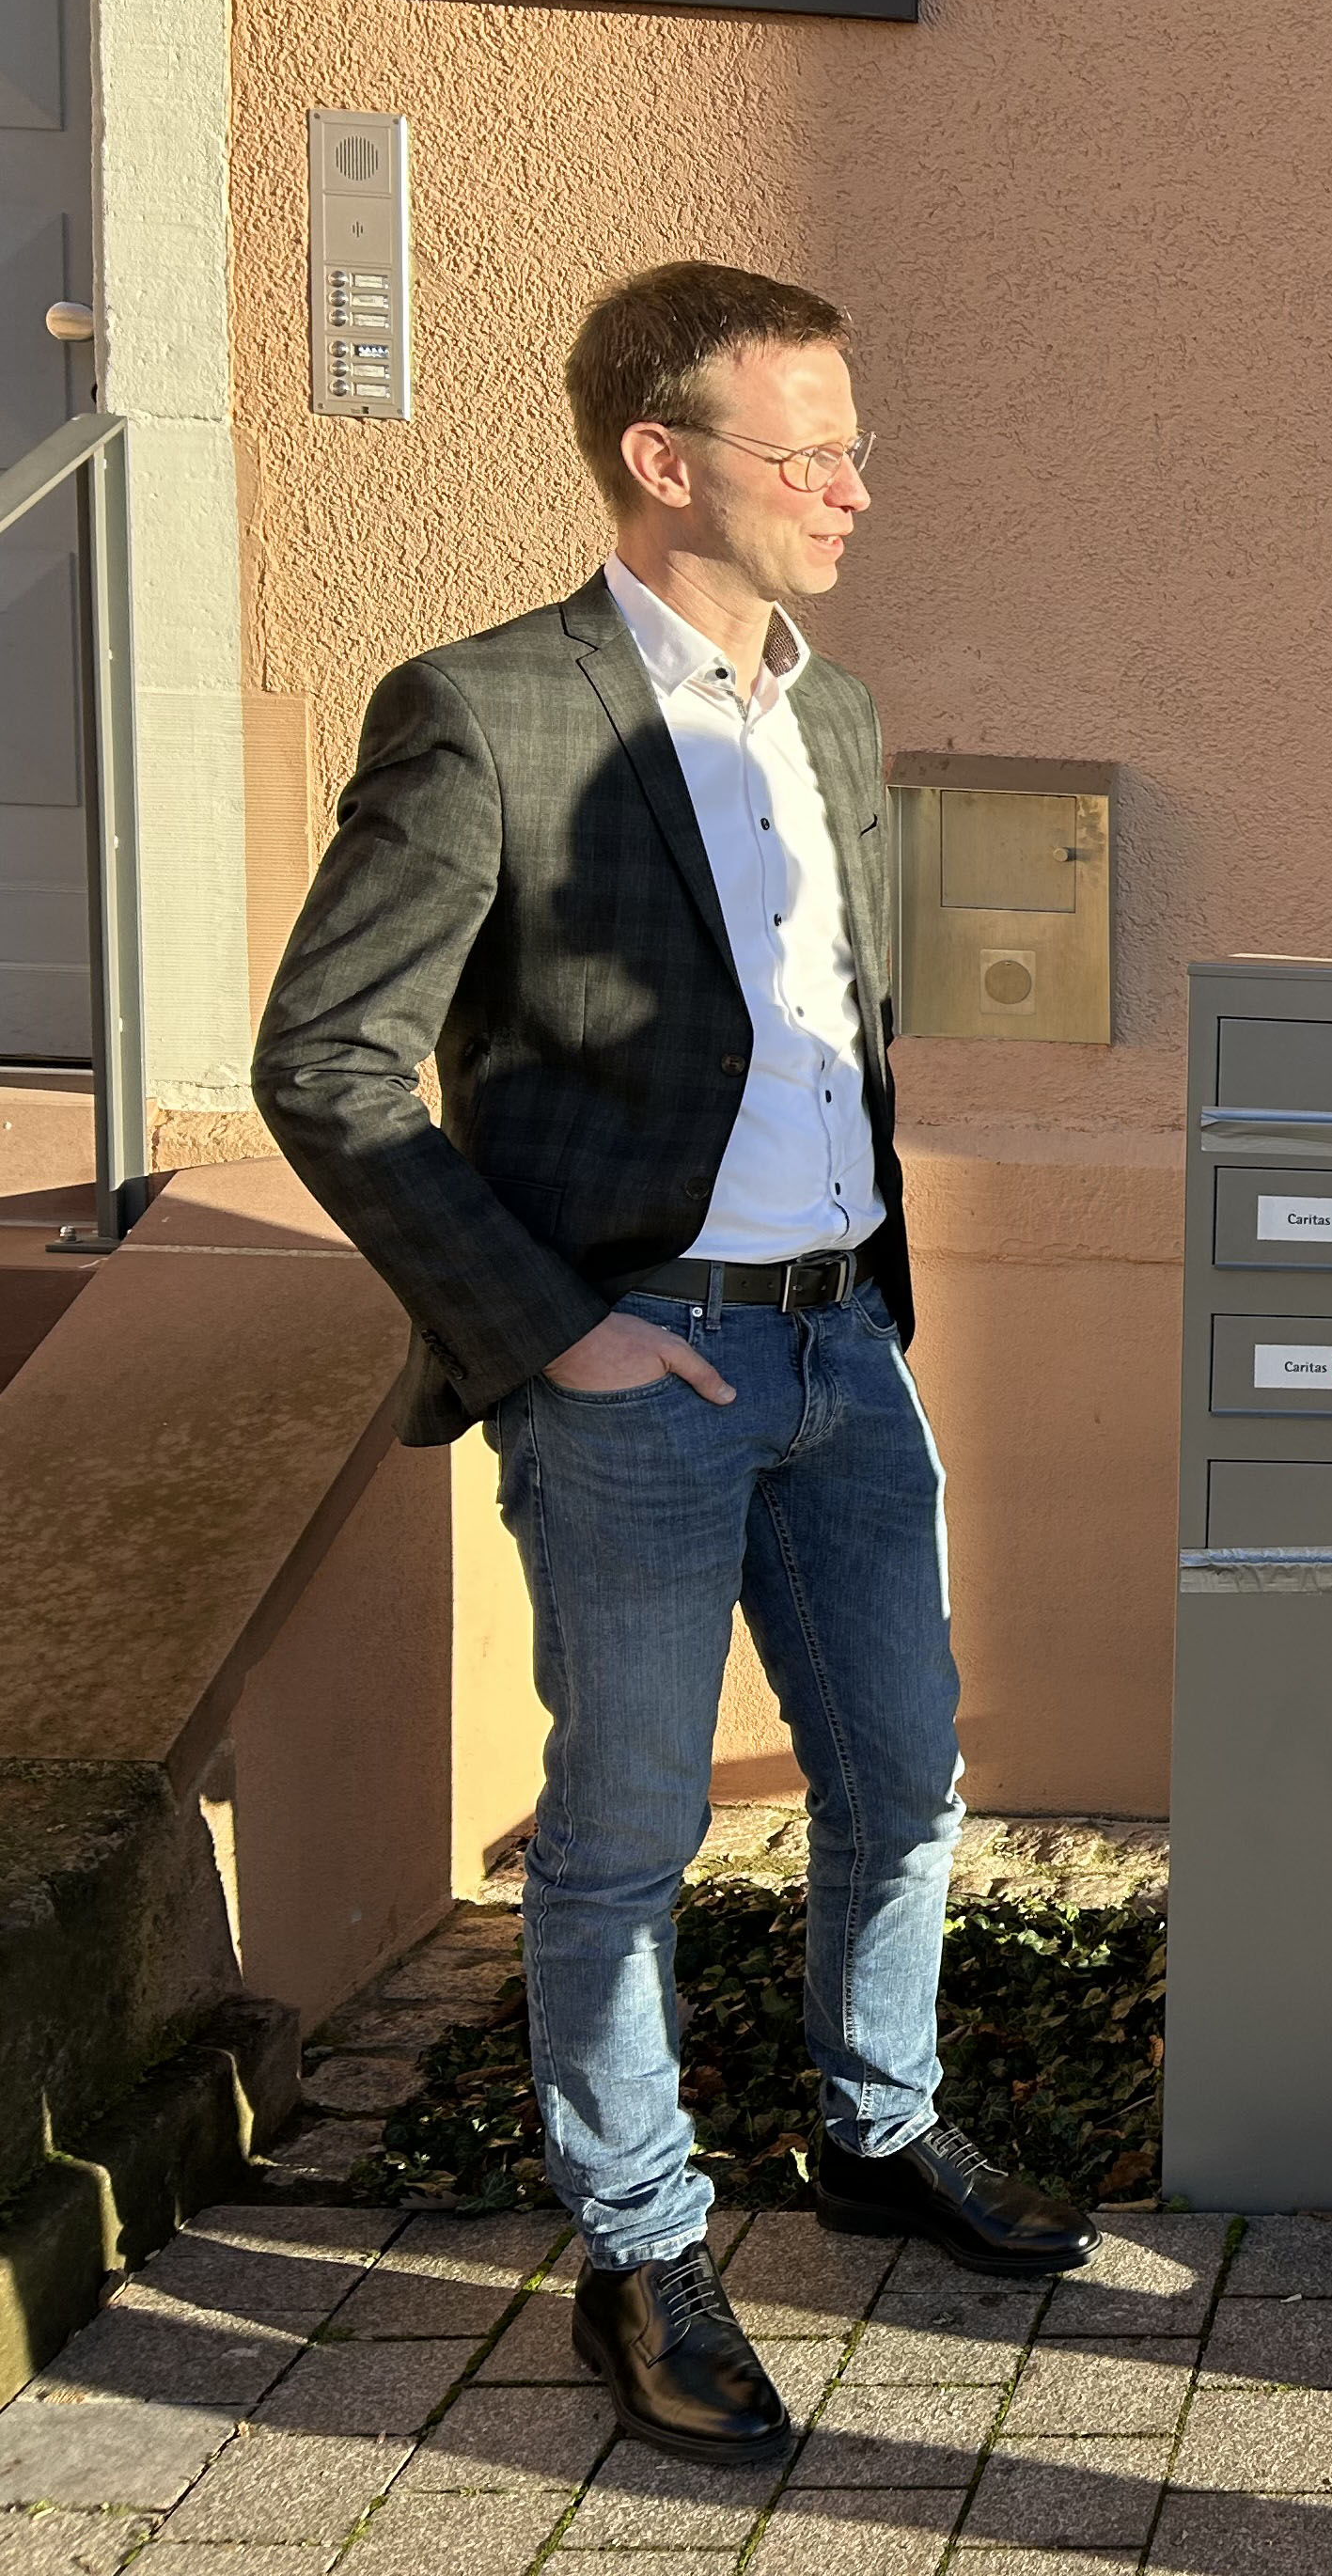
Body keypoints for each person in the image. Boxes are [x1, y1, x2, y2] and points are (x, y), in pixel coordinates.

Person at [254, 262, 1095, 2469]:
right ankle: (639, 2248)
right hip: (645, 1374)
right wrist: (558, 1336)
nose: (856, 488)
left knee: (905, 1779)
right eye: (810, 450)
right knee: (622, 1839)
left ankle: (877, 2130)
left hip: (842, 1355)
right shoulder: (484, 710)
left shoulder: (829, 711)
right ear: (665, 460)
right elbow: (327, 1064)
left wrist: (877, 1292)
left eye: (855, 444)